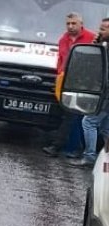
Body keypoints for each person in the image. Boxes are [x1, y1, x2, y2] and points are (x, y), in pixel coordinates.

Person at [42, 13, 97, 157]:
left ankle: (57, 146)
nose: (70, 26)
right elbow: (61, 59)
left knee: (72, 115)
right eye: (68, 23)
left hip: (83, 83)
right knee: (73, 116)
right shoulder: (63, 39)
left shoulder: (91, 38)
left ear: (81, 24)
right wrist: (60, 74)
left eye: (74, 23)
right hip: (66, 81)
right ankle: (75, 148)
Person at [70, 17, 109, 167]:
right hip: (105, 92)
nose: (100, 31)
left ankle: (90, 156)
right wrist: (96, 45)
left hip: (106, 93)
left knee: (89, 122)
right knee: (106, 127)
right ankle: (105, 158)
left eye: (103, 29)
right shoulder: (104, 45)